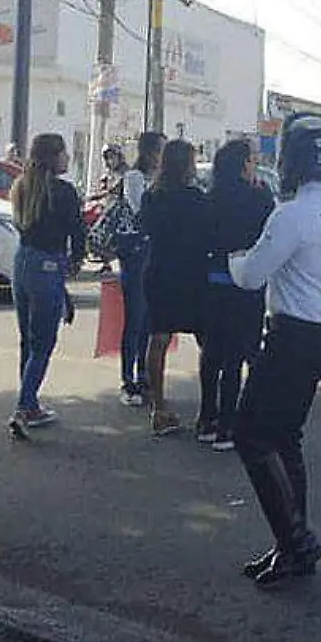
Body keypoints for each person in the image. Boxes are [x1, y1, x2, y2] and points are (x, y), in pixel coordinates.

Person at [227, 115, 321, 588]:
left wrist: (234, 258)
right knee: (286, 437)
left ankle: (295, 539)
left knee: (250, 434)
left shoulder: (290, 215)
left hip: (289, 335)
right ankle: (292, 542)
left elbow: (250, 276)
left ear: (293, 160)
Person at [7, 134, 86, 440]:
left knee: (28, 340)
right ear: (54, 157)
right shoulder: (63, 192)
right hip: (48, 265)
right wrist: (77, 261)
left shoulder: (22, 186)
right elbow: (77, 231)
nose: (68, 158)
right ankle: (25, 405)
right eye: (64, 152)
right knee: (43, 343)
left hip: (23, 261)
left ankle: (28, 398)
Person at [199, 139, 276, 451]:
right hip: (245, 281)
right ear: (244, 164)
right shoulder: (259, 198)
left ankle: (207, 418)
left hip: (213, 279)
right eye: (253, 160)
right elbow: (268, 234)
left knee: (211, 353)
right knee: (236, 355)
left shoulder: (211, 197)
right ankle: (227, 426)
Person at [139, 139, 209, 438]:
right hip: (192, 273)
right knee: (207, 340)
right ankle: (210, 411)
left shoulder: (151, 196)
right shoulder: (197, 198)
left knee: (158, 339)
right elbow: (209, 234)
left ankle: (158, 408)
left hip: (158, 270)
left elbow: (147, 230)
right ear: (186, 165)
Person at [116, 132, 166, 406]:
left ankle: (145, 374)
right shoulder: (135, 178)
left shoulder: (161, 180)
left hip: (155, 253)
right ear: (150, 153)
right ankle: (128, 380)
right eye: (161, 150)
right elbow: (140, 209)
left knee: (149, 319)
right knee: (134, 317)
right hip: (135, 254)